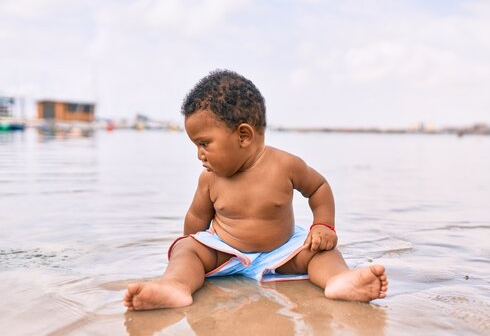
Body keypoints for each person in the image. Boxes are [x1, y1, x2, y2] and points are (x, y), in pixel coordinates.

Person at [124, 70, 388, 310]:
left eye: (204, 143)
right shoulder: (209, 179)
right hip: (226, 253)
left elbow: (318, 188)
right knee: (186, 250)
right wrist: (192, 252)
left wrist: (323, 226)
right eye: (196, 145)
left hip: (283, 251)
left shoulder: (285, 165)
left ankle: (339, 281)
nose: (199, 155)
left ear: (243, 136)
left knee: (321, 252)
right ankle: (176, 286)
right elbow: (196, 217)